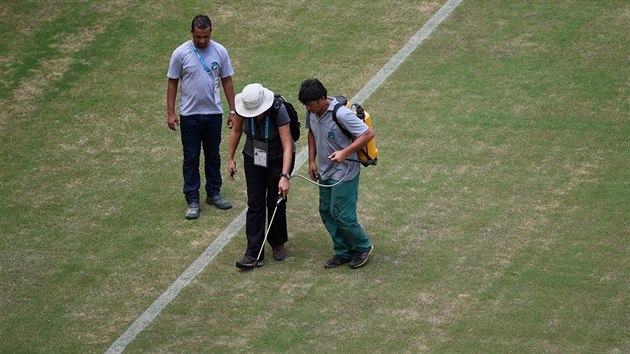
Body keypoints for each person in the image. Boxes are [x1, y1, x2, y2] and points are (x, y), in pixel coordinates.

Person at [298, 79, 374, 269]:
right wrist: (311, 160)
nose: (307, 107)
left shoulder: (341, 114)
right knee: (326, 211)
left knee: (342, 214)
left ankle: (363, 246)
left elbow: (367, 134)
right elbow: (311, 133)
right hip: (325, 170)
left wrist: (344, 153)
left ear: (322, 98)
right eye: (305, 104)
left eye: (310, 103)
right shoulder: (312, 111)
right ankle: (343, 251)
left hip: (344, 172)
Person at [166, 14, 236, 219]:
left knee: (213, 156)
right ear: (192, 33)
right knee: (191, 158)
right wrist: (170, 113)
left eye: (205, 36)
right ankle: (192, 199)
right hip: (190, 116)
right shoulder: (180, 53)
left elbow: (227, 81)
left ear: (211, 32)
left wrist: (232, 110)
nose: (202, 41)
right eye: (198, 37)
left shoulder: (220, 51)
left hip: (214, 113)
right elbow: (172, 82)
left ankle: (214, 193)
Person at [227, 83, 295, 269]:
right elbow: (236, 130)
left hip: (277, 157)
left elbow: (288, 145)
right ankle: (253, 252)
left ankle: (277, 242)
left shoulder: (278, 110)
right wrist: (230, 158)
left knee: (276, 201)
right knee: (255, 202)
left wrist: (284, 175)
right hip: (253, 156)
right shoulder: (243, 109)